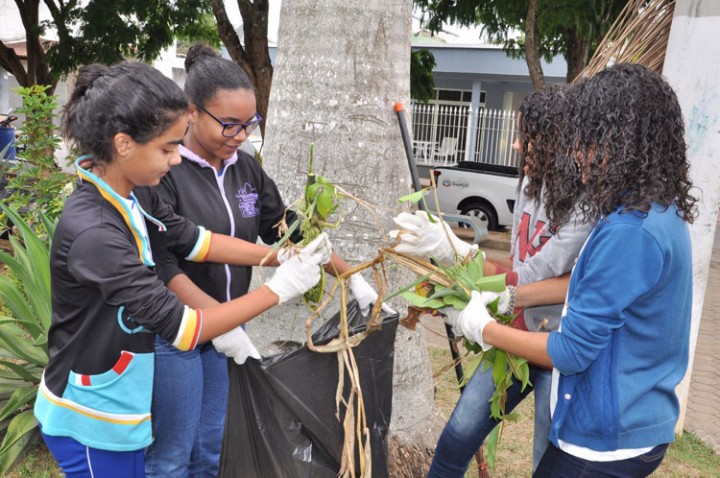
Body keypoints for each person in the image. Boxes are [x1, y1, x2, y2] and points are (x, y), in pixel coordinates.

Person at [34, 60, 333, 478]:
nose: (177, 159)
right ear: (123, 144)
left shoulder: (135, 196)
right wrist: (277, 290)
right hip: (90, 419)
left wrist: (278, 257)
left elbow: (197, 241)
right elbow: (184, 329)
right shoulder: (96, 232)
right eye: (167, 148)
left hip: (119, 407)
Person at [397, 63, 697, 477]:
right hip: (616, 411)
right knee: (460, 437)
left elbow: (570, 349)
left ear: (621, 142)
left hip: (605, 430)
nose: (578, 152)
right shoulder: (655, 212)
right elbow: (582, 285)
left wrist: (483, 325)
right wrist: (508, 297)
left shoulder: (629, 229)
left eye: (587, 139)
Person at [140, 43, 387, 478]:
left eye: (249, 124)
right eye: (228, 125)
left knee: (212, 449)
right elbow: (164, 268)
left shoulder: (245, 168)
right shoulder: (164, 171)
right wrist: (219, 322)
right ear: (192, 112)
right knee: (172, 456)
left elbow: (287, 231)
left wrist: (352, 278)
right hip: (176, 333)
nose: (239, 136)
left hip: (226, 330)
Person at [421, 85, 592, 477]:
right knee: (456, 436)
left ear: (555, 141)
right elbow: (519, 262)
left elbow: (532, 275)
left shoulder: (585, 206)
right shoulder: (530, 186)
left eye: (526, 136)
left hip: (559, 350)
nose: (516, 145)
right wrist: (457, 275)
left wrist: (460, 253)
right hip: (514, 335)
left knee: (546, 462)